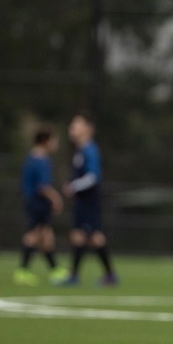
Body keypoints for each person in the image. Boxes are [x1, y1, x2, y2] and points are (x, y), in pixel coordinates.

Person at [61, 113, 117, 286]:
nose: (72, 128)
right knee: (79, 236)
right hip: (82, 201)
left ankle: (108, 275)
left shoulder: (89, 150)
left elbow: (93, 177)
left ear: (88, 129)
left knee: (94, 236)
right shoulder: (80, 150)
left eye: (76, 125)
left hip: (89, 201)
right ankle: (75, 275)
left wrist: (74, 186)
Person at [15, 125, 66, 285]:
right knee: (34, 234)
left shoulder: (31, 158)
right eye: (54, 140)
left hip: (32, 200)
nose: (56, 144)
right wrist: (56, 198)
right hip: (38, 202)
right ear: (46, 141)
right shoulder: (41, 160)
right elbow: (43, 187)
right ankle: (22, 270)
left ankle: (54, 269)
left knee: (46, 235)